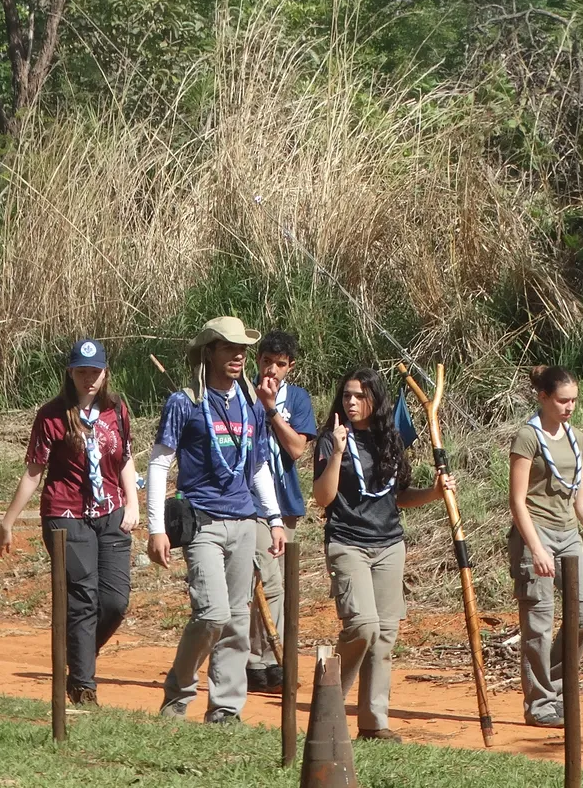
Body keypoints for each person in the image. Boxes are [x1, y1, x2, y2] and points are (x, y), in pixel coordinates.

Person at [147, 317, 289, 724]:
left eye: (242, 348)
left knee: (238, 621)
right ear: (209, 352)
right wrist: (156, 527)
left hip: (245, 521)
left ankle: (225, 709)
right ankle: (178, 691)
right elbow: (159, 462)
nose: (239, 355)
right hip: (203, 521)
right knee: (212, 613)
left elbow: (259, 465)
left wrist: (274, 518)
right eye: (228, 347)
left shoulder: (251, 404)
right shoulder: (185, 402)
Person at [0, 338, 139, 708]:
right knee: (83, 598)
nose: (89, 378)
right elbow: (33, 471)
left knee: (115, 601)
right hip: (66, 515)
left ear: (105, 372)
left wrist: (134, 505)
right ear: (70, 373)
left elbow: (124, 459)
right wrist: (7, 523)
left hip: (111, 514)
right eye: (82, 371)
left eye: (95, 371)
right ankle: (83, 687)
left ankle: (77, 654)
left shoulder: (117, 409)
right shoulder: (52, 415)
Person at [311, 367, 451, 742]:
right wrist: (339, 453)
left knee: (385, 635)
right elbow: (322, 498)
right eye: (346, 396)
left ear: (375, 399)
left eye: (359, 396)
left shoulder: (390, 440)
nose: (351, 402)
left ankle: (374, 724)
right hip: (347, 542)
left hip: (389, 544)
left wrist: (434, 493)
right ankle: (329, 704)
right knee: (363, 626)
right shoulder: (330, 440)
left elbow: (398, 497)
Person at [507, 365, 583, 728]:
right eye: (562, 400)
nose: (569, 407)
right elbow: (517, 501)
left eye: (574, 400)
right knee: (538, 623)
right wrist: (536, 548)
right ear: (543, 397)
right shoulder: (528, 437)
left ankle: (554, 686)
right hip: (535, 532)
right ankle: (539, 704)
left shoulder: (577, 439)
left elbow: (582, 498)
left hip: (568, 534)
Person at [248, 330, 316, 693]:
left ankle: (269, 657)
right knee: (266, 579)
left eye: (280, 364)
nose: (272, 370)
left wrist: (271, 410)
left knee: (280, 584)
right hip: (249, 502)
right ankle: (258, 659)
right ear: (257, 361)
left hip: (284, 500)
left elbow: (296, 449)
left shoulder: (299, 399)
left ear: (291, 367)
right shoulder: (242, 393)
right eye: (266, 361)